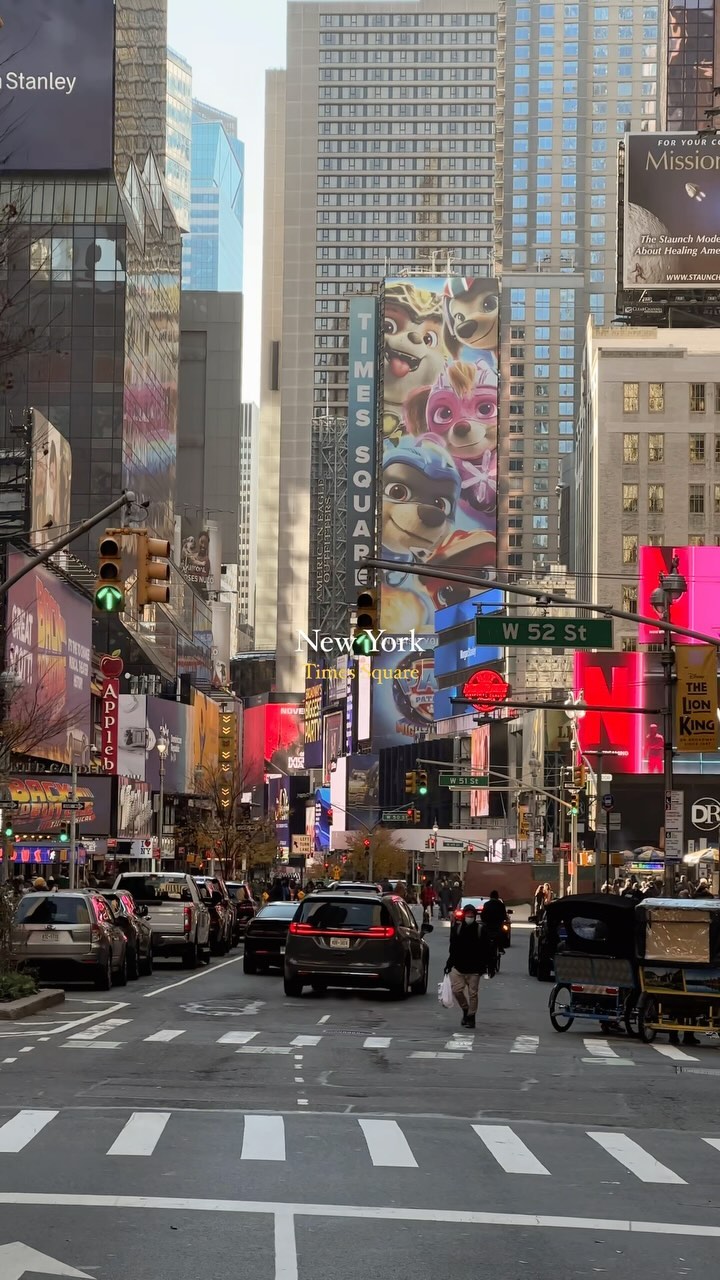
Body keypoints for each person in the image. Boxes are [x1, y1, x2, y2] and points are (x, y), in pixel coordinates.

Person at [444, 903, 491, 1029]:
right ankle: (465, 1009)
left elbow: (487, 950)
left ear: (475, 916)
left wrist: (487, 966)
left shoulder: (481, 930)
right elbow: (452, 949)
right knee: (457, 991)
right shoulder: (458, 929)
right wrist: (449, 964)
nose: (469, 916)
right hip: (459, 966)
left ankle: (471, 1017)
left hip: (475, 968)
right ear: (464, 915)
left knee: (473, 994)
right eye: (468, 914)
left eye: (472, 915)